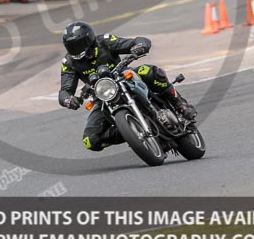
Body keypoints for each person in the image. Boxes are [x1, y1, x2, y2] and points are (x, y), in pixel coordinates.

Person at [58, 21, 196, 153]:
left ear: (88, 39)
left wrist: (140, 45)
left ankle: (179, 104)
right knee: (90, 140)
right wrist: (68, 100)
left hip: (124, 77)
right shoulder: (69, 62)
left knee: (150, 72)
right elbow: (65, 90)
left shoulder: (105, 41)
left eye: (77, 45)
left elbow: (136, 41)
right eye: (70, 47)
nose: (74, 50)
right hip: (104, 96)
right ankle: (133, 132)